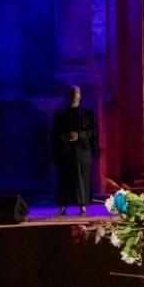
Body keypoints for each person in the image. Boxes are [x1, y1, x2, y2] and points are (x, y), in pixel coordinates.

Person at [50, 85, 97, 215]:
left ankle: (83, 206)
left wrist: (79, 135)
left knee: (82, 179)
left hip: (82, 151)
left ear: (80, 96)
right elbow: (55, 133)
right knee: (64, 178)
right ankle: (63, 207)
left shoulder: (87, 114)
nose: (74, 95)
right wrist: (66, 136)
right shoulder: (60, 115)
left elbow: (92, 132)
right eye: (71, 93)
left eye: (76, 92)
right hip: (66, 151)